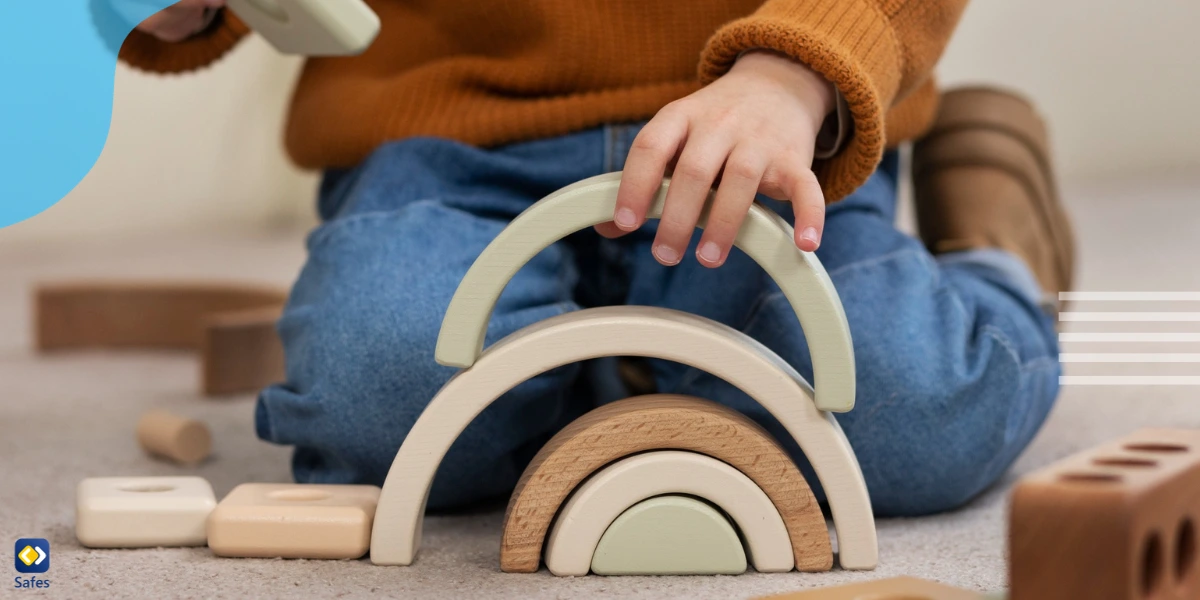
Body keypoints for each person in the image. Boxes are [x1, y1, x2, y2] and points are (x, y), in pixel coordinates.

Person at [115, 0, 1074, 515]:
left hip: (768, 124)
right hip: (449, 130)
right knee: (387, 409)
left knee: (911, 411)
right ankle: (630, 358)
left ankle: (996, 235)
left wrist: (797, 70)